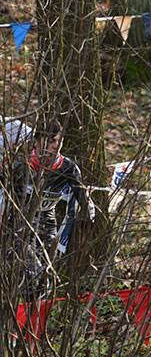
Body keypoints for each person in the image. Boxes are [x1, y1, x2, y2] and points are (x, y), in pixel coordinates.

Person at [1, 119, 87, 299]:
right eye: (51, 141)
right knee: (33, 276)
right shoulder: (19, 164)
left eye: (59, 140)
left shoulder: (68, 167)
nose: (56, 146)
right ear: (37, 141)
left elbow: (84, 202)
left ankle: (31, 311)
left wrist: (86, 220)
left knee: (44, 282)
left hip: (46, 227)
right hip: (16, 228)